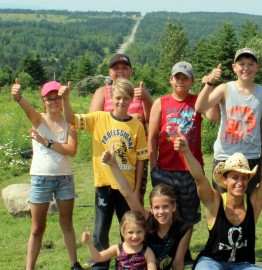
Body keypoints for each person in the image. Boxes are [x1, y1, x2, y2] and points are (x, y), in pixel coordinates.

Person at [175, 124, 262, 269]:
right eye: (235, 177)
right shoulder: (215, 201)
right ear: (225, 180)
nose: (240, 182)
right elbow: (199, 178)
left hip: (242, 265)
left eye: (244, 178)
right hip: (212, 262)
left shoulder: (253, 202)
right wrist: (186, 151)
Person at [62, 78, 149, 270]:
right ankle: (100, 265)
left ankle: (128, 263)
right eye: (118, 98)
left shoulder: (136, 126)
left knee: (128, 227)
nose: (122, 102)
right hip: (104, 184)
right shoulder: (99, 118)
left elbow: (142, 159)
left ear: (131, 99)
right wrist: (65, 100)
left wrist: (136, 189)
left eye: (126, 98)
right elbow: (70, 119)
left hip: (126, 187)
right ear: (111, 97)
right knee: (101, 229)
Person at [148, 61, 219, 264]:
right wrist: (153, 166)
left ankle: (184, 252)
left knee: (188, 215)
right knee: (167, 212)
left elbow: (214, 117)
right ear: (171, 79)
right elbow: (152, 136)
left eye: (185, 78)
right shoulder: (160, 102)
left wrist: (210, 85)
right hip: (165, 169)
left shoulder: (198, 101)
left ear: (192, 81)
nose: (181, 81)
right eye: (177, 77)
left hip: (191, 170)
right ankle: (166, 250)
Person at [11, 79, 83, 270]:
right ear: (43, 101)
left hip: (65, 178)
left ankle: (74, 264)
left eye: (57, 98)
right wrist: (18, 96)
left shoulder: (70, 121)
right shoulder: (38, 119)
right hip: (41, 178)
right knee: (37, 228)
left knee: (67, 222)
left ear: (62, 99)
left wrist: (47, 142)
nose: (53, 102)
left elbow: (72, 150)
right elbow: (26, 107)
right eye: (49, 99)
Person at [101, 146, 192, 269]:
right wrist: (113, 164)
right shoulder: (145, 217)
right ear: (151, 208)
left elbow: (178, 262)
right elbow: (127, 192)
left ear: (173, 206)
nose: (161, 212)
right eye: (157, 208)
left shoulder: (183, 229)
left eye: (165, 207)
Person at [195, 47, 262, 194]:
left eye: (250, 64)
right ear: (234, 67)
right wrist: (210, 83)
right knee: (222, 207)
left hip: (251, 157)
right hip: (225, 157)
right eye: (241, 64)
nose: (246, 68)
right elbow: (200, 106)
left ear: (257, 68)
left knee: (247, 208)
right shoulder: (225, 89)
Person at [89, 53, 153, 205]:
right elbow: (93, 123)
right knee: (108, 202)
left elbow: (152, 120)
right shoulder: (102, 92)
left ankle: (133, 229)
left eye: (124, 68)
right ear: (110, 72)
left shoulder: (139, 91)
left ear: (131, 71)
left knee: (135, 203)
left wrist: (146, 98)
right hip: (109, 155)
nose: (120, 72)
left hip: (136, 157)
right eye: (116, 68)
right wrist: (126, 122)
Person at [82, 210, 156, 270]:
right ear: (122, 232)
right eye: (130, 232)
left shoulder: (147, 252)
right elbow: (98, 257)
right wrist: (89, 244)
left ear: (145, 231)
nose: (135, 236)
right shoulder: (117, 249)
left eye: (139, 232)